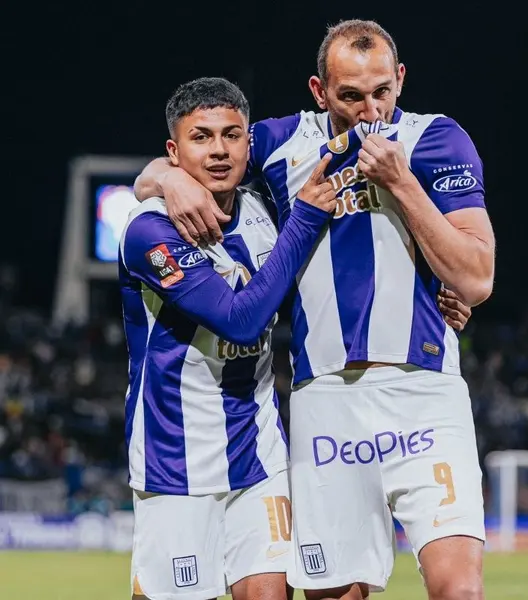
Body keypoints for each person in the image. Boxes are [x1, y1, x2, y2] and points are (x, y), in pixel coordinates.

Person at [132, 19, 493, 600]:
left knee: (459, 591)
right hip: (325, 400)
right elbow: (196, 158)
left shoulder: (436, 139)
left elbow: (476, 278)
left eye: (382, 91)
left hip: (424, 391)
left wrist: (403, 184)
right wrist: (169, 180)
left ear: (401, 79)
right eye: (351, 96)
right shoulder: (279, 144)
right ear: (319, 91)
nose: (370, 111)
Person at [121, 77, 336, 600]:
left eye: (231, 135)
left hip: (259, 454)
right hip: (175, 464)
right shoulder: (149, 230)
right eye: (201, 137)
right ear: (174, 151)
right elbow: (239, 321)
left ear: (247, 143)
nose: (218, 149)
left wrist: (441, 291)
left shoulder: (264, 209)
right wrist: (305, 218)